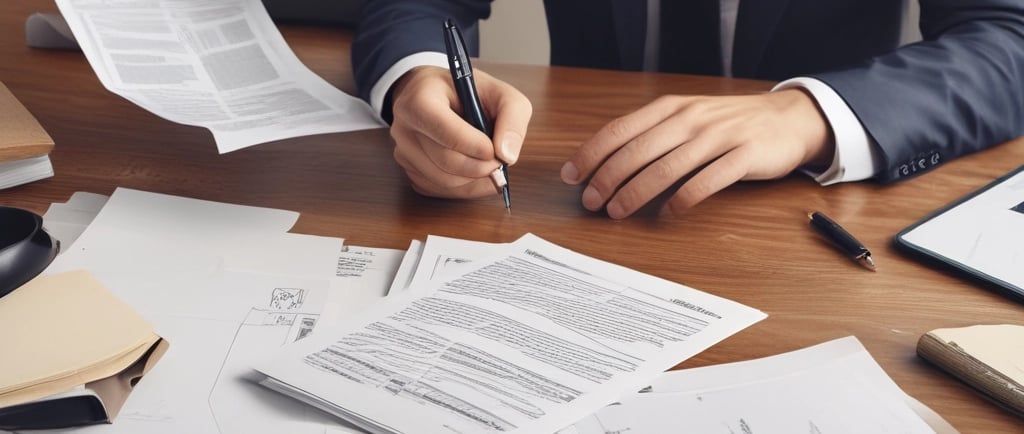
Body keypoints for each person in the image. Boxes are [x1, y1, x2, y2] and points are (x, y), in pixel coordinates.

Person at [351, 0, 1024, 219]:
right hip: (577, 194)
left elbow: (1007, 35)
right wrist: (420, 78)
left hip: (799, 215)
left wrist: (810, 115)